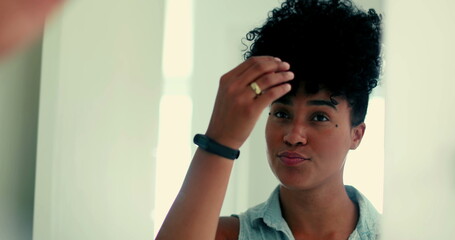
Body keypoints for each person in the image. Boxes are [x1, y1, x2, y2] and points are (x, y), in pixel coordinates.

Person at [156, 0, 382, 239]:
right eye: (282, 114)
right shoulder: (227, 235)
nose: (293, 136)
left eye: (319, 117)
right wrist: (220, 141)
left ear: (356, 135)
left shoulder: (399, 233)